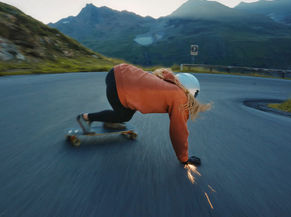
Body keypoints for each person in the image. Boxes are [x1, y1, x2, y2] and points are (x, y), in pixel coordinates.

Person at [76, 63, 211, 165]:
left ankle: (110, 120)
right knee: (123, 116)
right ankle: (86, 118)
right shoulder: (180, 97)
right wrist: (184, 158)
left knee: (126, 113)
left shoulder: (167, 80)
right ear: (190, 91)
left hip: (118, 72)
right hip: (119, 87)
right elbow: (178, 129)